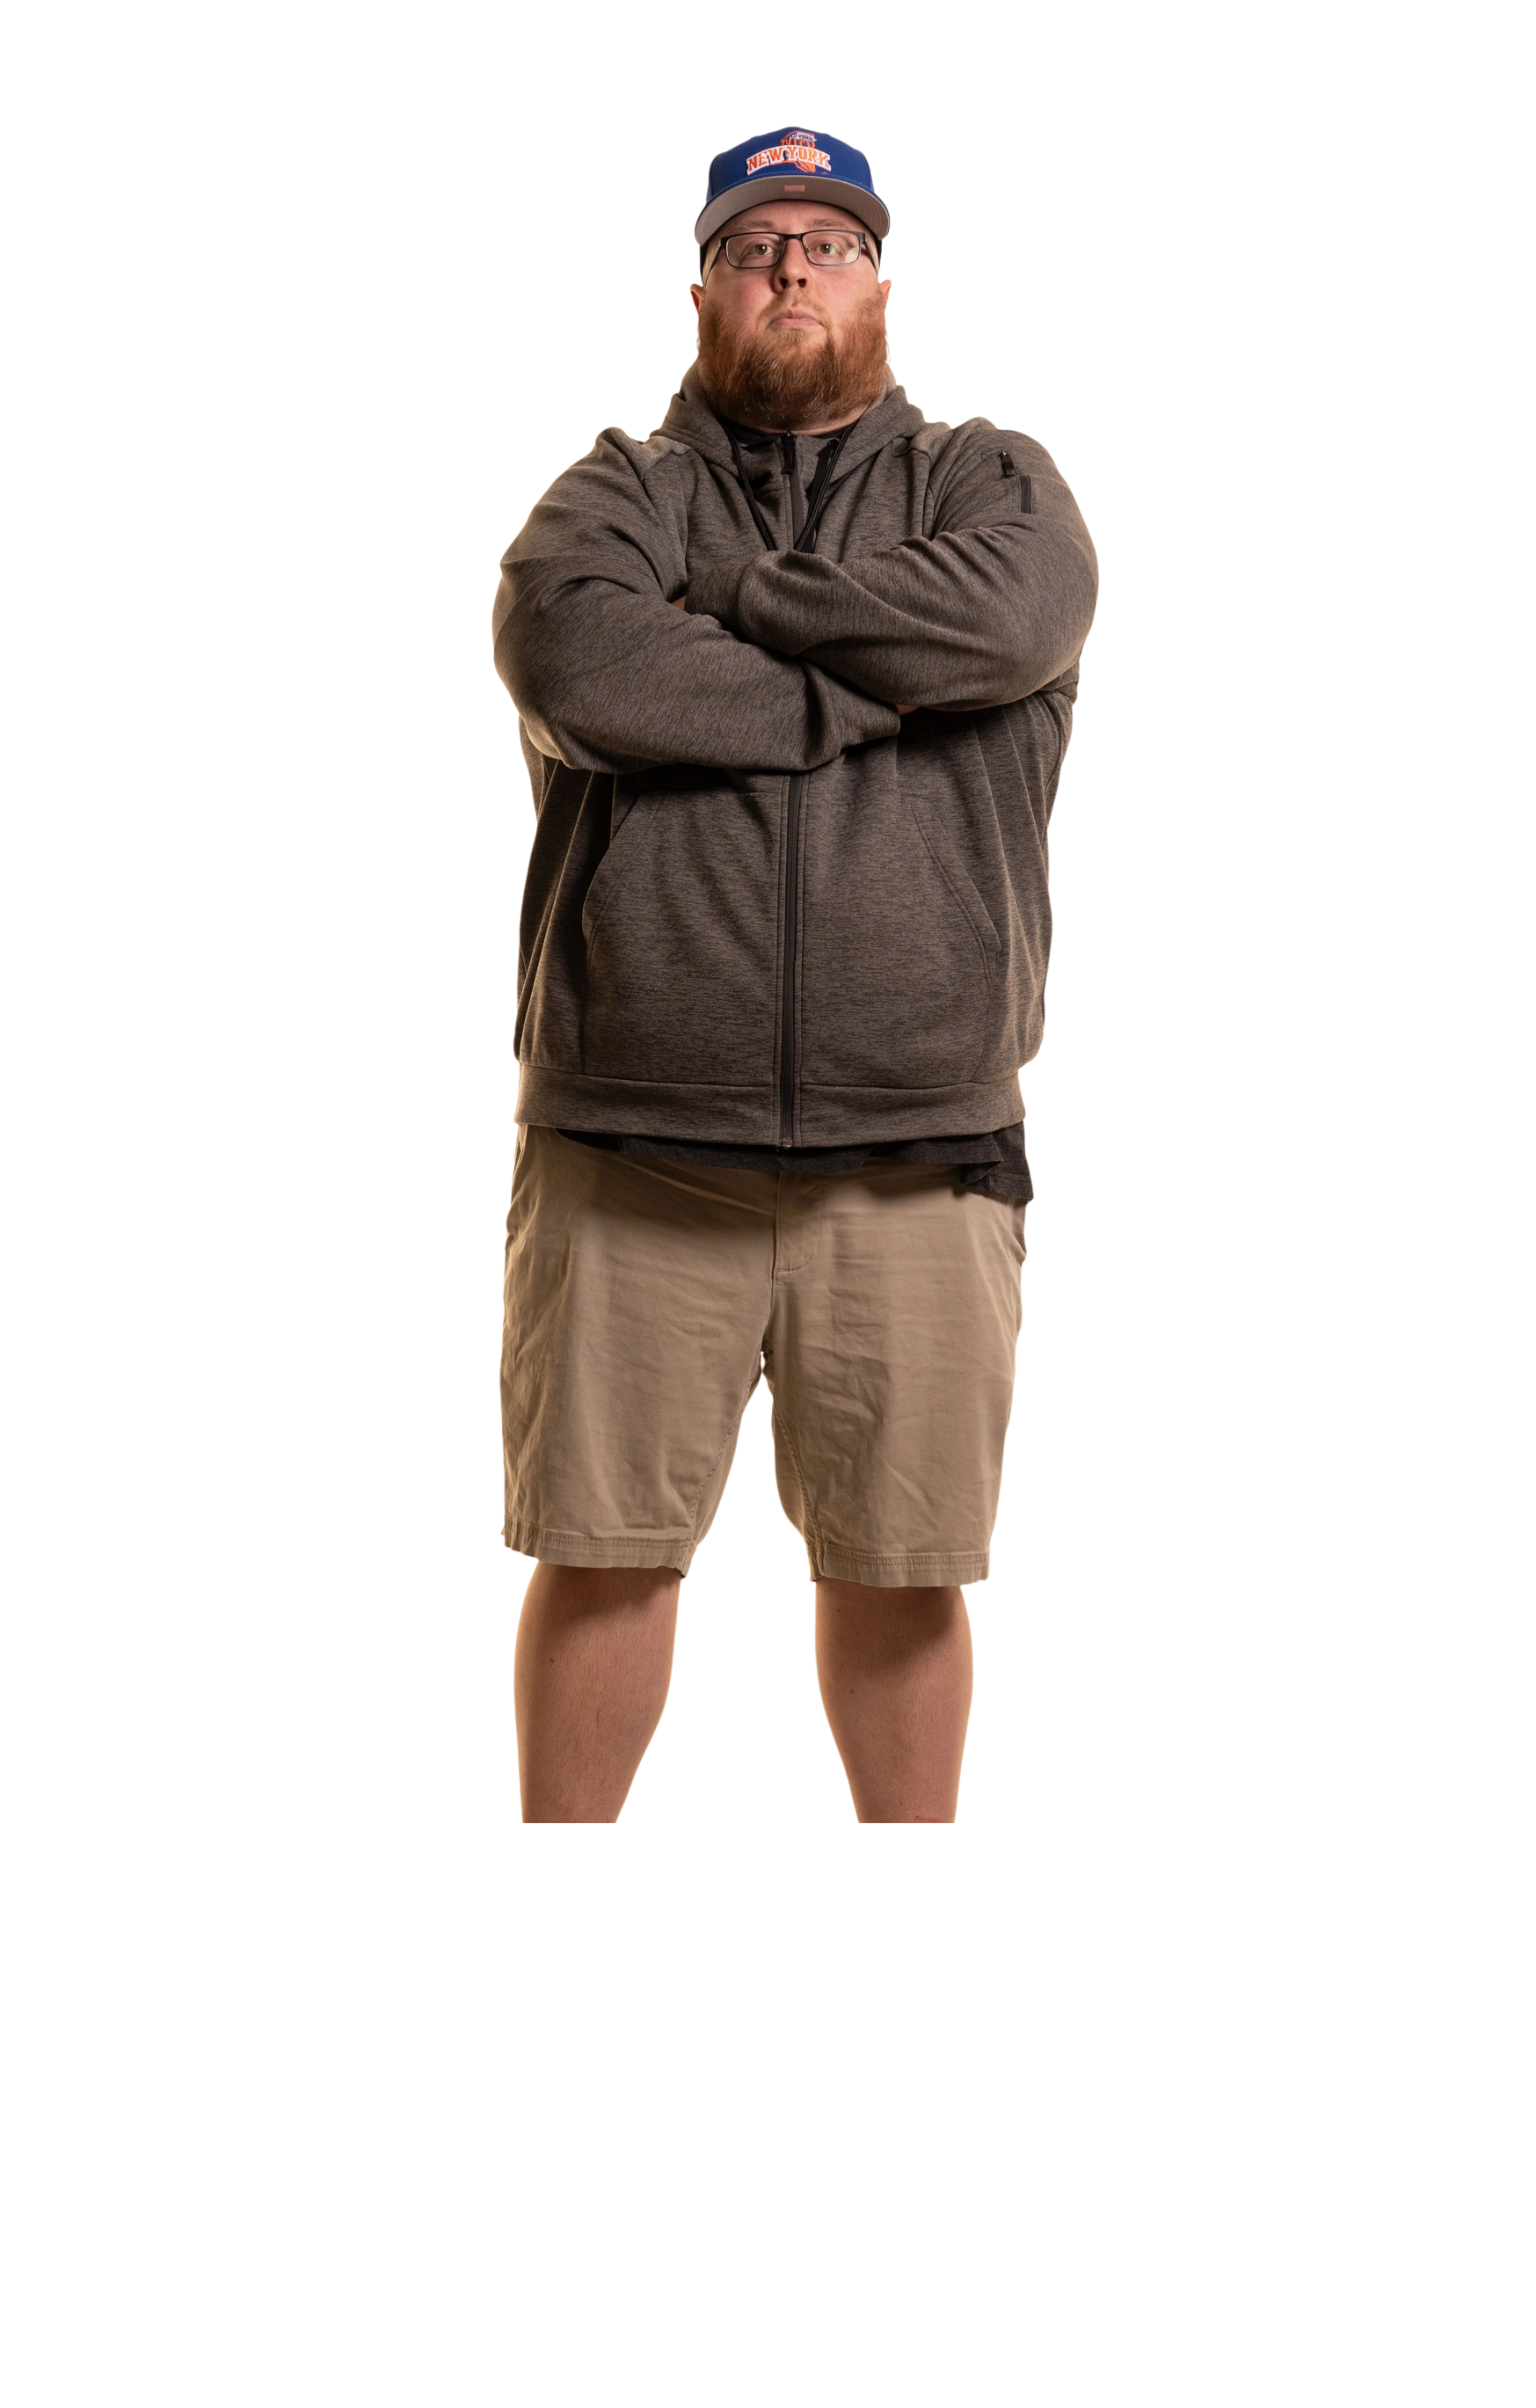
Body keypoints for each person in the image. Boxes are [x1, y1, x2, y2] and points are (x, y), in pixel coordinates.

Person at [491, 127, 1097, 1822]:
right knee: (604, 1555)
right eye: (754, 246)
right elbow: (573, 651)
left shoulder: (991, 485)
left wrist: (741, 602)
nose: (791, 271)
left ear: (882, 287)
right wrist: (863, 686)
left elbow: (1020, 616)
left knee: (904, 1573)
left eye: (830, 243)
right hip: (633, 1143)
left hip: (920, 1148)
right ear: (702, 294)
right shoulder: (617, 495)